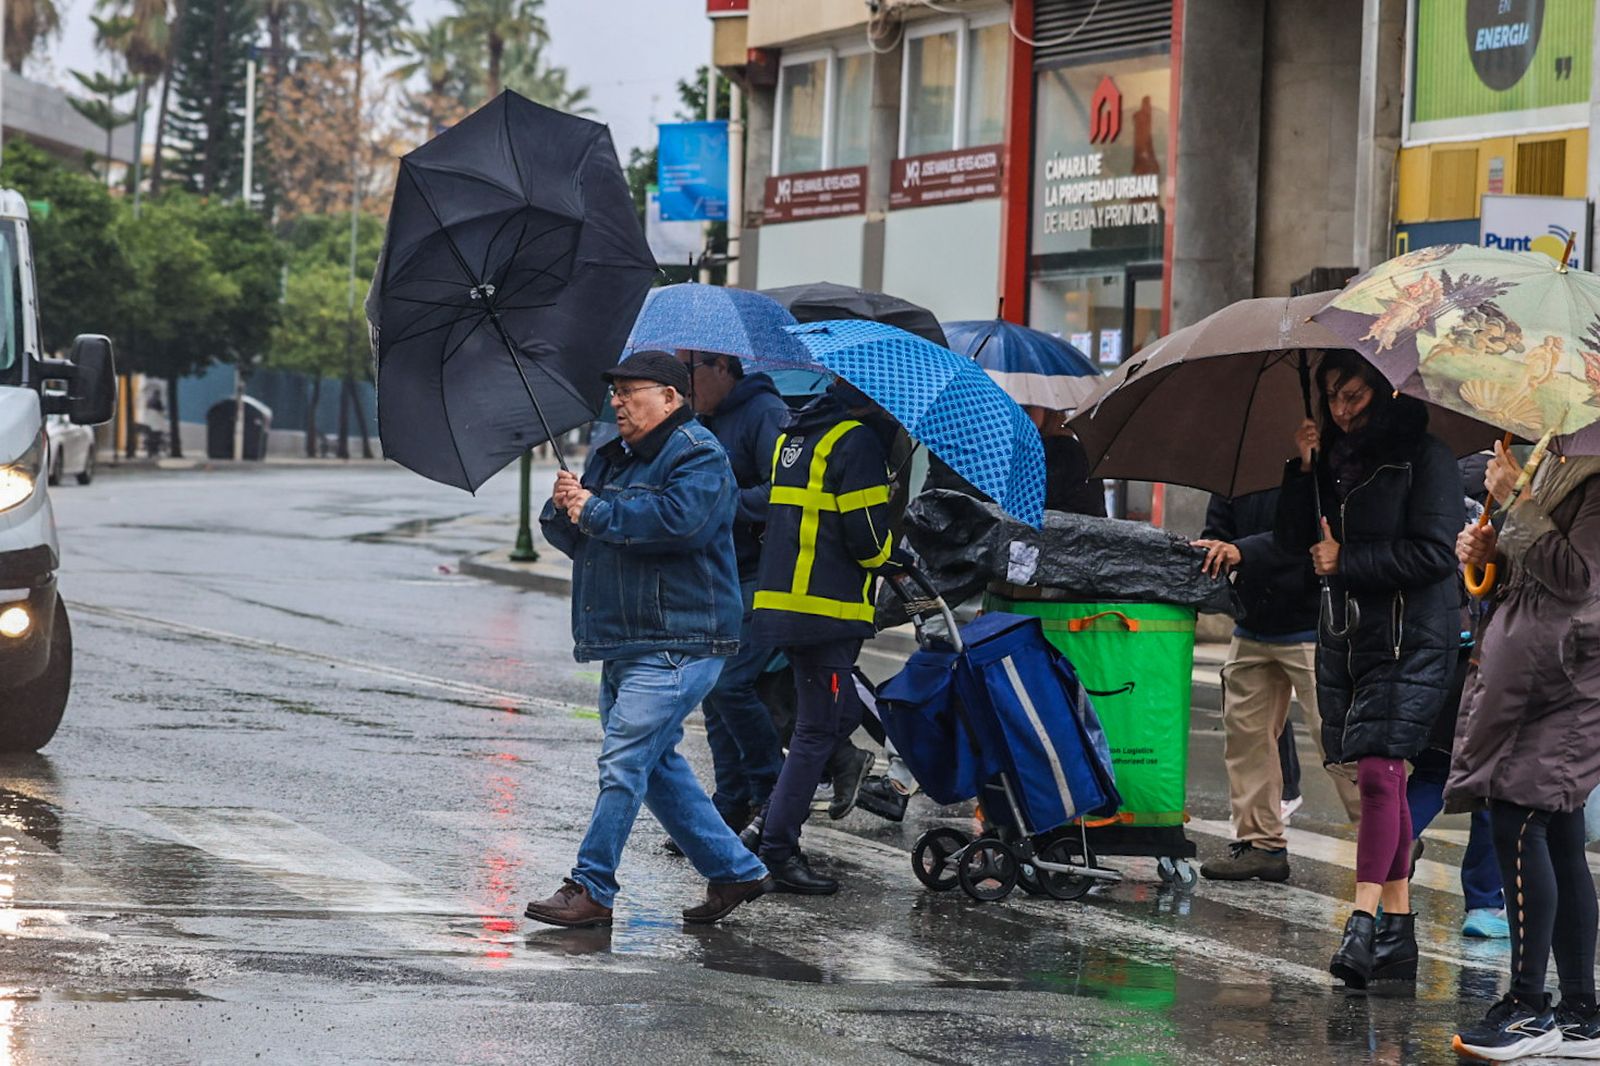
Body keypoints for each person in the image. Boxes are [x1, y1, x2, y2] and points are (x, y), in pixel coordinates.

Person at [526, 351, 769, 929]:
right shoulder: (612, 457)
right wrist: (567, 508)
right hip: (624, 639)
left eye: (630, 390)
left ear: (669, 396)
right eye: (614, 391)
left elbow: (677, 523)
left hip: (679, 640)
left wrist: (598, 511)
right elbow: (583, 535)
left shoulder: (700, 456)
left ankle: (592, 886)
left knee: (623, 761)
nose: (617, 401)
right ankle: (735, 869)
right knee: (654, 766)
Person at [1275, 350, 1462, 989]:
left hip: (1413, 635)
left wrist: (1348, 559)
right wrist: (1302, 471)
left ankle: (1361, 922)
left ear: (1381, 392)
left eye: (1353, 396)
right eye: (1332, 398)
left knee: (1382, 774)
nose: (1342, 410)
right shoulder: (1329, 459)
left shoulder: (1425, 457)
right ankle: (1401, 937)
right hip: (1350, 637)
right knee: (1377, 776)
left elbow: (1436, 555)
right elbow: (1290, 543)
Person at [1446, 443, 1600, 1059]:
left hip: (1568, 676)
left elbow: (1579, 579)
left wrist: (1518, 499)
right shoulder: (1553, 462)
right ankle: (1583, 1015)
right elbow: (1535, 570)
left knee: (1521, 817)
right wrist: (1487, 559)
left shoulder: (1594, 475)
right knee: (1557, 832)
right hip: (1537, 671)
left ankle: (1530, 1006)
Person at [748, 379, 898, 895]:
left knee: (832, 715)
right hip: (826, 610)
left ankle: (763, 828)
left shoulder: (797, 436)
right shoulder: (857, 441)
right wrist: (893, 552)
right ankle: (776, 849)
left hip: (784, 603)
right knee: (815, 732)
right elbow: (868, 541)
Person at [1193, 488, 1362, 883]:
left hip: (1315, 624)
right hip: (1253, 621)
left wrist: (1242, 551)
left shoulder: (1321, 466)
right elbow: (1218, 531)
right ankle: (1260, 844)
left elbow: (1306, 534)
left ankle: (1386, 832)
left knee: (1339, 737)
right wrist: (1216, 548)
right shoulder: (1237, 469)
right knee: (1245, 739)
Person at [676, 351, 788, 835]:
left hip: (761, 573)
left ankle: (772, 796)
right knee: (713, 695)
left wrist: (724, 503)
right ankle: (732, 801)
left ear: (723, 366)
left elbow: (784, 489)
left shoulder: (764, 412)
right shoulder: (704, 418)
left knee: (730, 685)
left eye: (691, 372)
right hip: (719, 574)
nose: (685, 384)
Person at [1403, 454, 1506, 940]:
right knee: (1489, 787)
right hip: (1487, 670)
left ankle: (1388, 866)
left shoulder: (1429, 526)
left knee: (1431, 773)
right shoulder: (1499, 529)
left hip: (1437, 665)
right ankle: (1485, 904)